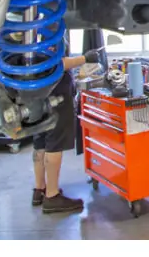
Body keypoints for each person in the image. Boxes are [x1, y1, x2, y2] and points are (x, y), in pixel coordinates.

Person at [32, 49, 100, 214]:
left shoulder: (32, 33)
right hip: (56, 95)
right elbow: (55, 64)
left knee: (40, 141)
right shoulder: (50, 27)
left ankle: (39, 189)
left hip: (37, 93)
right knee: (55, 143)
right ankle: (52, 195)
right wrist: (85, 58)